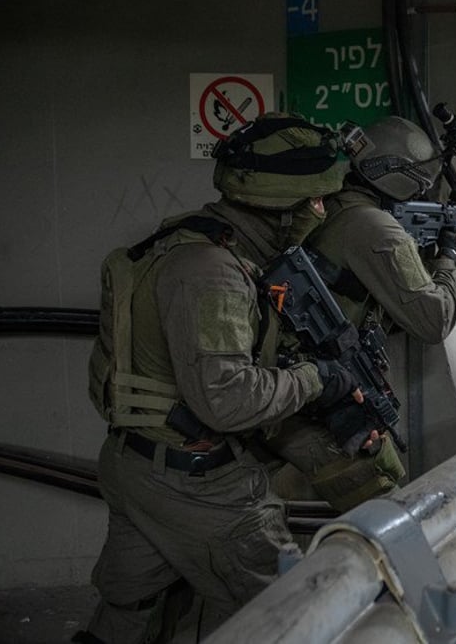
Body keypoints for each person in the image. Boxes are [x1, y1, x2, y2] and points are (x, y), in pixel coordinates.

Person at [77, 114, 366, 643]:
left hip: (138, 465)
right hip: (198, 484)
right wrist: (316, 379)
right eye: (315, 201)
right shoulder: (213, 271)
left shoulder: (188, 240)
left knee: (131, 610)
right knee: (295, 615)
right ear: (280, 207)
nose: (321, 211)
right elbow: (227, 401)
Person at [258, 114, 456, 511]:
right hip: (318, 391)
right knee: (384, 501)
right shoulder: (377, 228)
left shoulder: (332, 204)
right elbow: (433, 320)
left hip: (288, 375)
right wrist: (452, 255)